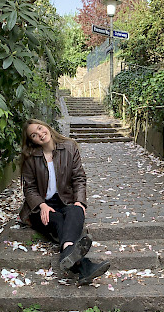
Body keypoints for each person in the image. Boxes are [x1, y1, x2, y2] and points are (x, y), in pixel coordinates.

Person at [19, 119, 110, 285]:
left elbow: (79, 177)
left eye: (40, 128)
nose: (40, 134)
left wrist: (80, 201)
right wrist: (42, 205)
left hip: (65, 200)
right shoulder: (30, 157)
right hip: (39, 207)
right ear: (32, 141)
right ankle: (83, 265)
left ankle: (68, 254)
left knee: (76, 210)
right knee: (59, 221)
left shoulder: (69, 147)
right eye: (34, 135)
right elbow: (29, 189)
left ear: (46, 126)